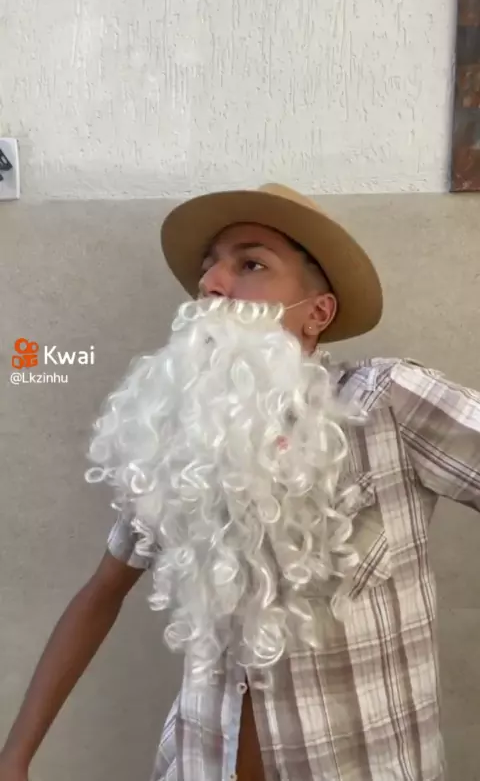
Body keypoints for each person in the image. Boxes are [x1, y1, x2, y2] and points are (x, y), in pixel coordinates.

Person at [1, 183, 479, 781]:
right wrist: (15, 757)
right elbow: (101, 594)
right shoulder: (181, 447)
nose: (212, 284)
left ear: (317, 313)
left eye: (250, 264)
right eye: (209, 269)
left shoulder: (384, 404)